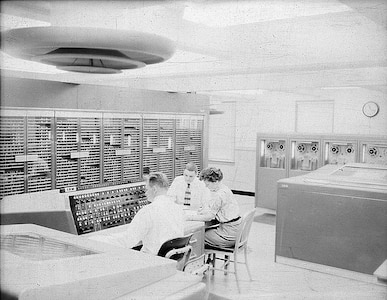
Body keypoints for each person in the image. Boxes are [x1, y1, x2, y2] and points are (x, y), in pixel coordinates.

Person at [89, 172, 185, 255]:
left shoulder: (149, 211)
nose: (145, 193)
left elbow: (127, 240)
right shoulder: (178, 208)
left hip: (152, 262)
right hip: (172, 263)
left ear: (154, 189)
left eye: (147, 189)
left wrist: (95, 240)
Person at [185, 167, 241, 249]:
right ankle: (208, 260)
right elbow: (218, 210)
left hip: (228, 234)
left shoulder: (219, 195)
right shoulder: (225, 189)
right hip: (236, 230)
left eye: (207, 184)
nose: (206, 187)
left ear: (215, 181)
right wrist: (206, 211)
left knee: (197, 237)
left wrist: (190, 217)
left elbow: (209, 217)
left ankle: (199, 261)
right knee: (203, 232)